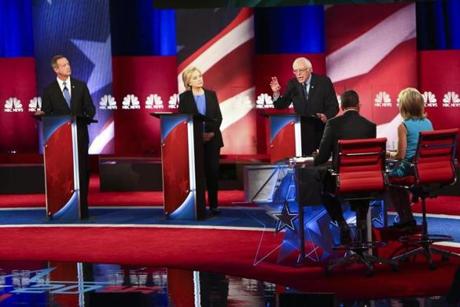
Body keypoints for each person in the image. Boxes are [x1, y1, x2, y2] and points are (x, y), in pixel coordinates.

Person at [313, 90, 376, 244]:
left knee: (323, 186)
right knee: (362, 187)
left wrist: (316, 156)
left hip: (341, 181)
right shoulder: (370, 126)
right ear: (358, 106)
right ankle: (361, 223)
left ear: (341, 106)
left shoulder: (332, 124)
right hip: (366, 181)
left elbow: (322, 158)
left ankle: (342, 224)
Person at [40, 55, 96, 219]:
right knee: (62, 173)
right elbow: (47, 113)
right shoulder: (49, 91)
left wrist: (82, 116)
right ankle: (61, 206)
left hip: (79, 137)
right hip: (59, 141)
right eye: (63, 65)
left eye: (68, 64)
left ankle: (82, 209)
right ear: (56, 69)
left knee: (83, 171)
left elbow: (90, 109)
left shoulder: (80, 86)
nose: (68, 67)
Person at [270, 57, 339, 155]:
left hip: (321, 130)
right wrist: (276, 92)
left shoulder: (323, 82)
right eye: (295, 71)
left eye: (301, 70)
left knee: (321, 163)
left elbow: (334, 106)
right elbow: (281, 105)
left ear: (310, 69)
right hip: (301, 134)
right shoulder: (292, 84)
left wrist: (325, 116)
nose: (298, 74)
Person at [179, 67, 224, 216]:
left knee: (212, 172)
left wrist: (210, 133)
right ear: (188, 82)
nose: (200, 79)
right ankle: (199, 205)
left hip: (212, 139)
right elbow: (184, 119)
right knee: (197, 174)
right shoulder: (184, 97)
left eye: (200, 76)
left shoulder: (211, 95)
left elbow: (218, 117)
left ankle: (214, 205)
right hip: (194, 141)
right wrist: (199, 135)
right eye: (195, 77)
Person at [386, 87, 433, 229]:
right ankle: (408, 216)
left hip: (410, 168)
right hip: (424, 168)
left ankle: (405, 218)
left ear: (404, 106)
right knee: (397, 179)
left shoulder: (403, 125)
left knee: (390, 179)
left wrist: (387, 154)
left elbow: (401, 155)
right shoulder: (428, 123)